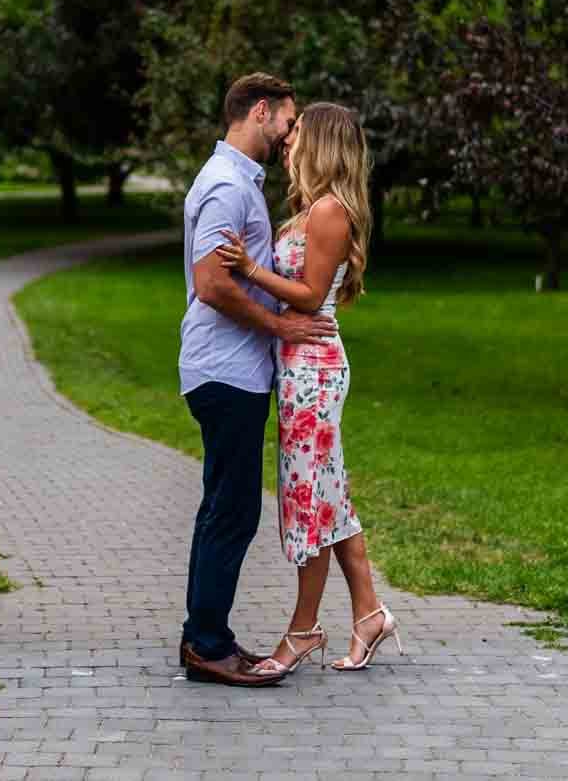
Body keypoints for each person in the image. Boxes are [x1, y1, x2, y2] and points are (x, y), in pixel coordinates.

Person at [215, 102, 401, 674]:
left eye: (298, 133)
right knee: (329, 496)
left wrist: (248, 268)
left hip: (314, 370)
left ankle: (302, 631)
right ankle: (369, 615)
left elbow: (309, 294)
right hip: (299, 367)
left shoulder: (329, 213)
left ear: (321, 143)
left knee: (307, 501)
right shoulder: (311, 210)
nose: (289, 140)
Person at [178, 73, 339, 688]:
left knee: (223, 506)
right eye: (288, 122)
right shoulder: (225, 185)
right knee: (231, 511)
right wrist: (278, 325)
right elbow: (212, 283)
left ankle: (205, 637)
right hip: (225, 370)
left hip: (230, 370)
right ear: (261, 112)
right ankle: (207, 645)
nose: (291, 134)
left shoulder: (239, 181)